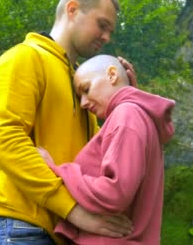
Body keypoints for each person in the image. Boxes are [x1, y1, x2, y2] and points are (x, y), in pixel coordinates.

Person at [0, 0, 136, 245]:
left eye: (110, 31)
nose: (107, 37)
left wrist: (127, 100)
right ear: (73, 9)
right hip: (19, 230)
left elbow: (108, 155)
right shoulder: (24, 57)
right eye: (102, 25)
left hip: (60, 236)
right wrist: (73, 210)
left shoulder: (83, 88)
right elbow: (5, 141)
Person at [38, 54, 175, 244]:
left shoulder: (126, 115)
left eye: (86, 89)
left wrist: (57, 171)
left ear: (112, 75)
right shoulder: (138, 117)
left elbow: (115, 191)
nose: (84, 103)